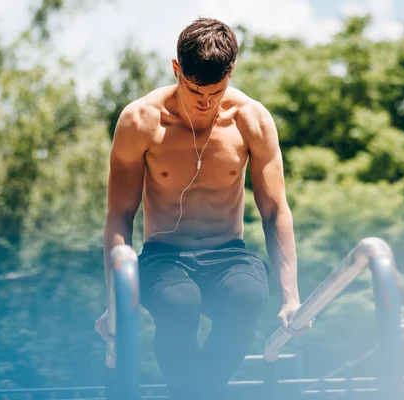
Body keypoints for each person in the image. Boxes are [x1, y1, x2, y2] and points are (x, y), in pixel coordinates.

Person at [95, 17, 311, 400]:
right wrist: (114, 304)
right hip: (163, 259)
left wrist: (291, 297)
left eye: (216, 90)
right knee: (181, 302)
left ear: (231, 72)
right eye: (195, 90)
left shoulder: (251, 120)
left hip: (227, 254)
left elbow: (276, 210)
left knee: (247, 295)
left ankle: (194, 394)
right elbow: (120, 216)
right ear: (176, 68)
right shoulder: (141, 121)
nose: (205, 102)